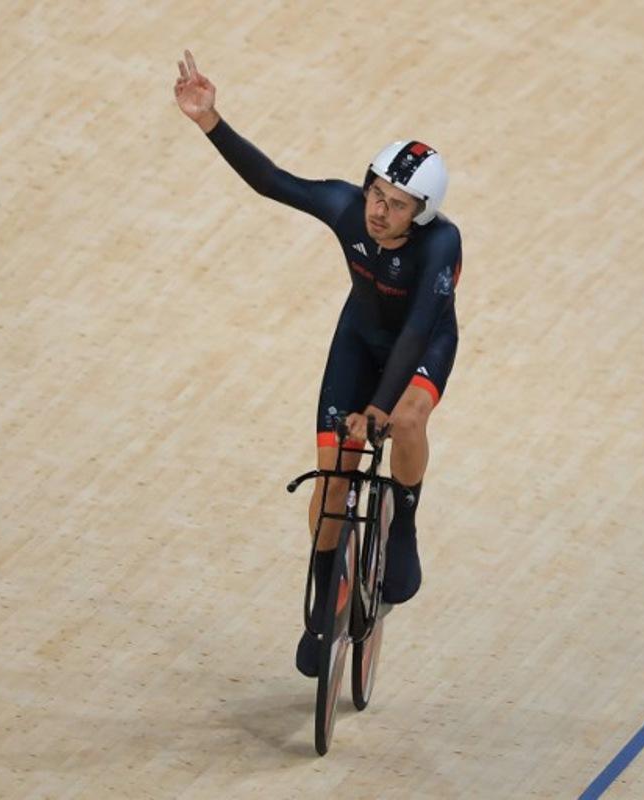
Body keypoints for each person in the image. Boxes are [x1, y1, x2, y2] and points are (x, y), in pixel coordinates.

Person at [174, 51, 462, 677]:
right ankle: (319, 606)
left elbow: (416, 330)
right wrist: (210, 120)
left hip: (420, 348)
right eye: (376, 194)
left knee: (408, 422)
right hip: (358, 339)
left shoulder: (441, 245)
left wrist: (379, 409)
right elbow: (272, 181)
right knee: (332, 481)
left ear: (424, 215)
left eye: (397, 205)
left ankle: (404, 529)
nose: (379, 211)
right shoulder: (343, 207)